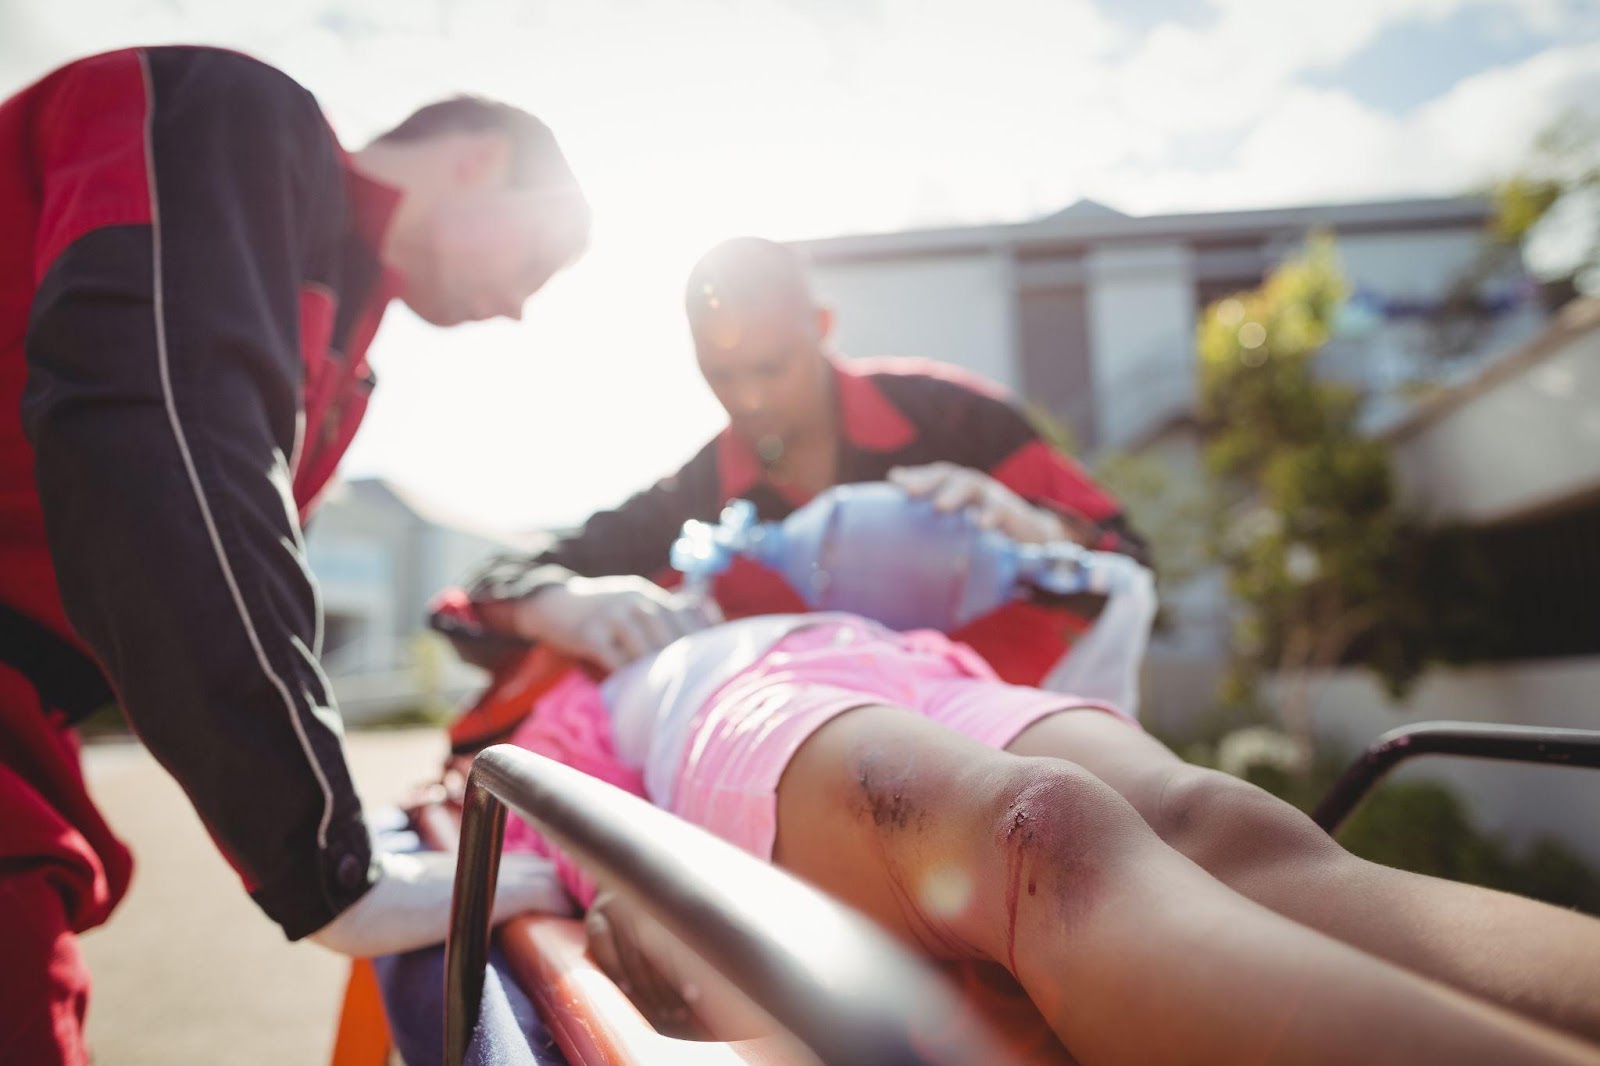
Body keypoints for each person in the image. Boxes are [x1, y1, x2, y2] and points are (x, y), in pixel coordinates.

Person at [0, 46, 586, 1063]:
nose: (518, 308)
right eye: (533, 260)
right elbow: (163, 444)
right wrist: (330, 857)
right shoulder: (229, 114)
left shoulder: (343, 339)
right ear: (477, 160)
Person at [491, 606, 1600, 1063]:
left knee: (1214, 818)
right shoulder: (586, 688)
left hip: (913, 665)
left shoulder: (814, 586)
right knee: (1042, 842)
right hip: (735, 713)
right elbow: (573, 844)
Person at [465, 235, 1148, 684]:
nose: (750, 398)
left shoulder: (957, 421)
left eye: (771, 366)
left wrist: (1030, 531)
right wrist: (556, 606)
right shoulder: (696, 498)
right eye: (722, 373)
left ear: (820, 328)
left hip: (1032, 764)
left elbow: (1132, 563)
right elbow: (486, 592)